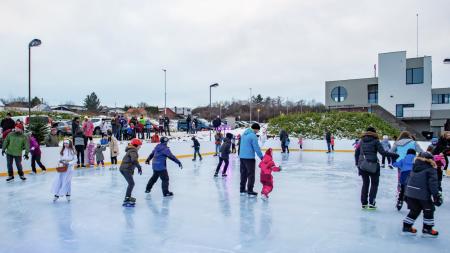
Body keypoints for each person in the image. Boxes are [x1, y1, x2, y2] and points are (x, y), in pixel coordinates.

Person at [355, 127, 399, 209]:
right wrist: (395, 155)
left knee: (365, 184)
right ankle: (372, 203)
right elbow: (383, 153)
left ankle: (364, 203)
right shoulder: (375, 141)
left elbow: (356, 153)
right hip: (373, 166)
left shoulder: (361, 141)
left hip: (363, 165)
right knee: (374, 184)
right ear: (374, 133)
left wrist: (358, 165)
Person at [402, 152, 441, 237]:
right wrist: (436, 196)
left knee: (415, 209)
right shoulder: (431, 169)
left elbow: (407, 181)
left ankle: (406, 226)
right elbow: (433, 184)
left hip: (410, 193)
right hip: (422, 194)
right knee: (429, 209)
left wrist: (404, 194)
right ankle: (427, 229)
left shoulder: (414, 167)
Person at [239, 123, 264, 197]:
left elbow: (241, 145)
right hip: (249, 158)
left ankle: (242, 189)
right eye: (257, 130)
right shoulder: (253, 136)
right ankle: (250, 190)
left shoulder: (244, 134)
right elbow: (256, 148)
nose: (257, 132)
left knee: (243, 174)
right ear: (256, 129)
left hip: (242, 157)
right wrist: (262, 157)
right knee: (251, 175)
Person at [119, 138, 143, 206]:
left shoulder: (131, 150)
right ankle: (127, 199)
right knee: (131, 183)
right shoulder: (133, 150)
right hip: (126, 169)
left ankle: (128, 197)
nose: (140, 147)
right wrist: (139, 167)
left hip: (125, 169)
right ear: (136, 145)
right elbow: (134, 160)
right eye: (139, 145)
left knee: (131, 183)